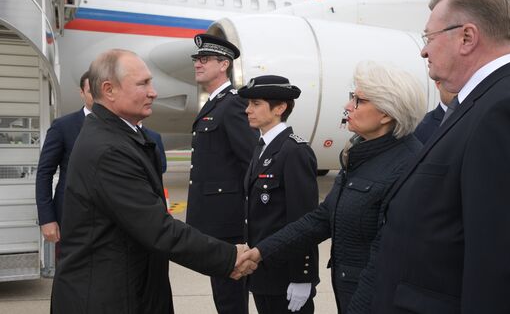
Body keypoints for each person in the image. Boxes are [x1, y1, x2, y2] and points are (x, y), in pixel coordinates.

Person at [348, 0, 510, 314]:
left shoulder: (508, 109)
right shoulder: (483, 103)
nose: (423, 50)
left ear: (467, 38)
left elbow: (500, 267)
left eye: (429, 37)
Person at [51, 49, 256, 314]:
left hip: (127, 286)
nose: (154, 92)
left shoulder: (121, 136)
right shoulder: (109, 150)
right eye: (143, 84)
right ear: (109, 90)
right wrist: (229, 258)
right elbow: (157, 229)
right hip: (107, 297)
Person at [239, 62, 425, 313]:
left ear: (386, 113)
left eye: (358, 100)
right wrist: (260, 252)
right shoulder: (360, 157)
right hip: (350, 291)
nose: (348, 106)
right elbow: (320, 219)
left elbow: (386, 259)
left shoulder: (408, 167)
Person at [186, 34, 257, 313]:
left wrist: (248, 222)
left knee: (230, 299)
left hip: (229, 224)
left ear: (223, 64)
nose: (197, 64)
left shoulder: (233, 104)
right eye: (196, 59)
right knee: (224, 296)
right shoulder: (215, 103)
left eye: (204, 59)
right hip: (217, 222)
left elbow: (250, 163)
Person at [238, 75, 320, 314]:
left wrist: (302, 276)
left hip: (285, 275)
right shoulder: (263, 147)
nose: (248, 110)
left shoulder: (294, 151)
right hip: (262, 272)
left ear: (280, 108)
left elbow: (305, 220)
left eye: (256, 104)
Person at [35, 70, 93, 245]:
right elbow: (44, 173)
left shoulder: (117, 126)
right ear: (82, 93)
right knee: (69, 270)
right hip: (70, 217)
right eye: (91, 91)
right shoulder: (63, 127)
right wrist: (47, 219)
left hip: (109, 221)